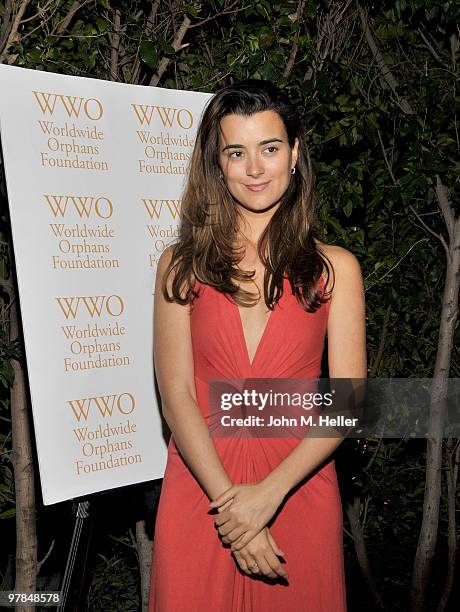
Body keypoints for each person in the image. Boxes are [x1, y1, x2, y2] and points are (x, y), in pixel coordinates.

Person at [148, 79, 366, 611]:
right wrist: (235, 513)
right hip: (201, 489)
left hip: (298, 486)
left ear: (293, 153)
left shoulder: (336, 268)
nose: (254, 169)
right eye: (236, 153)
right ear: (216, 165)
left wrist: (268, 495)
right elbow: (176, 395)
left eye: (269, 148)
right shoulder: (180, 265)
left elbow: (350, 401)